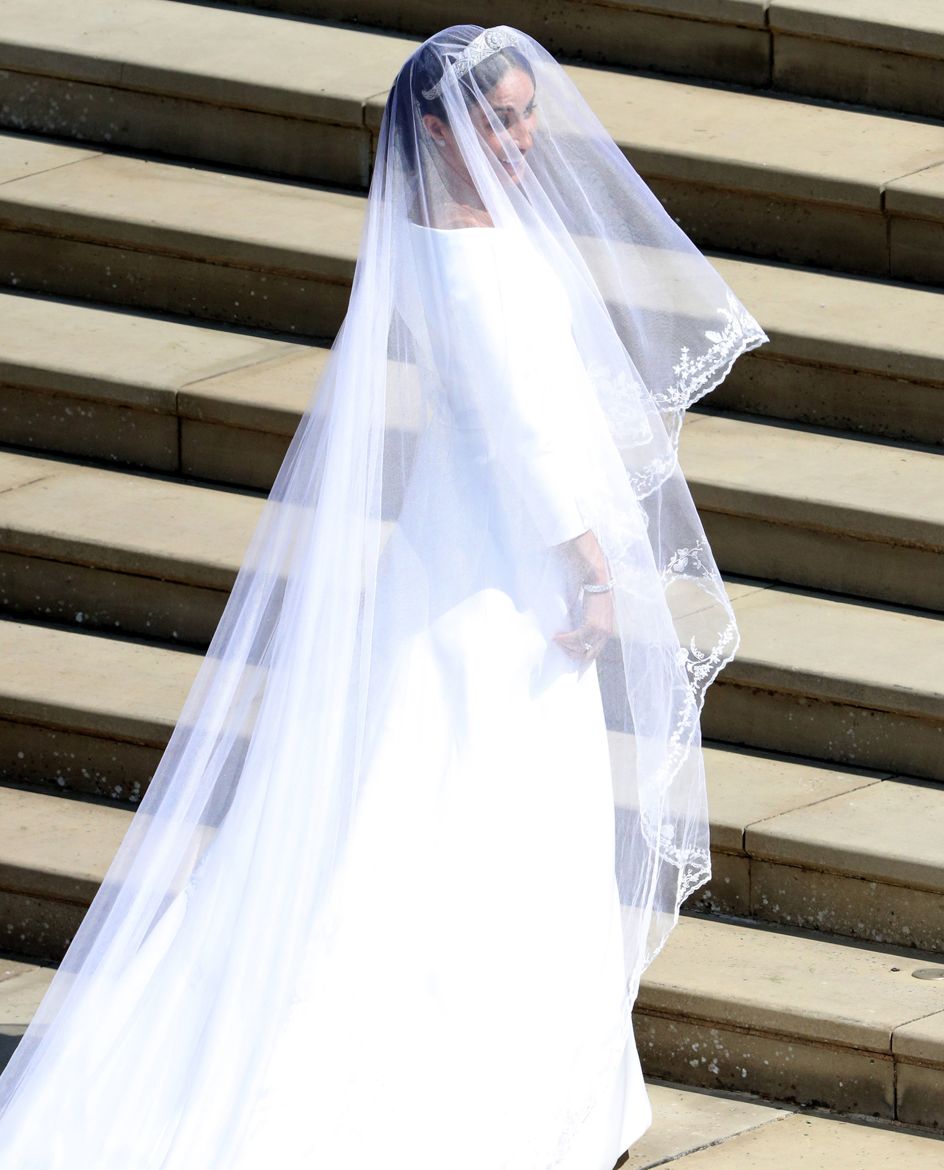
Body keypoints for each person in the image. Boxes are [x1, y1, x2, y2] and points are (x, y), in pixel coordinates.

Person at [0, 24, 768, 1170]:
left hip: (457, 549)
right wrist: (596, 571)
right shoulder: (469, 259)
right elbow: (520, 431)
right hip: (508, 572)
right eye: (497, 119)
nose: (521, 139)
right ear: (436, 129)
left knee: (448, 793)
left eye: (526, 115)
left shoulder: (438, 234)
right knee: (485, 805)